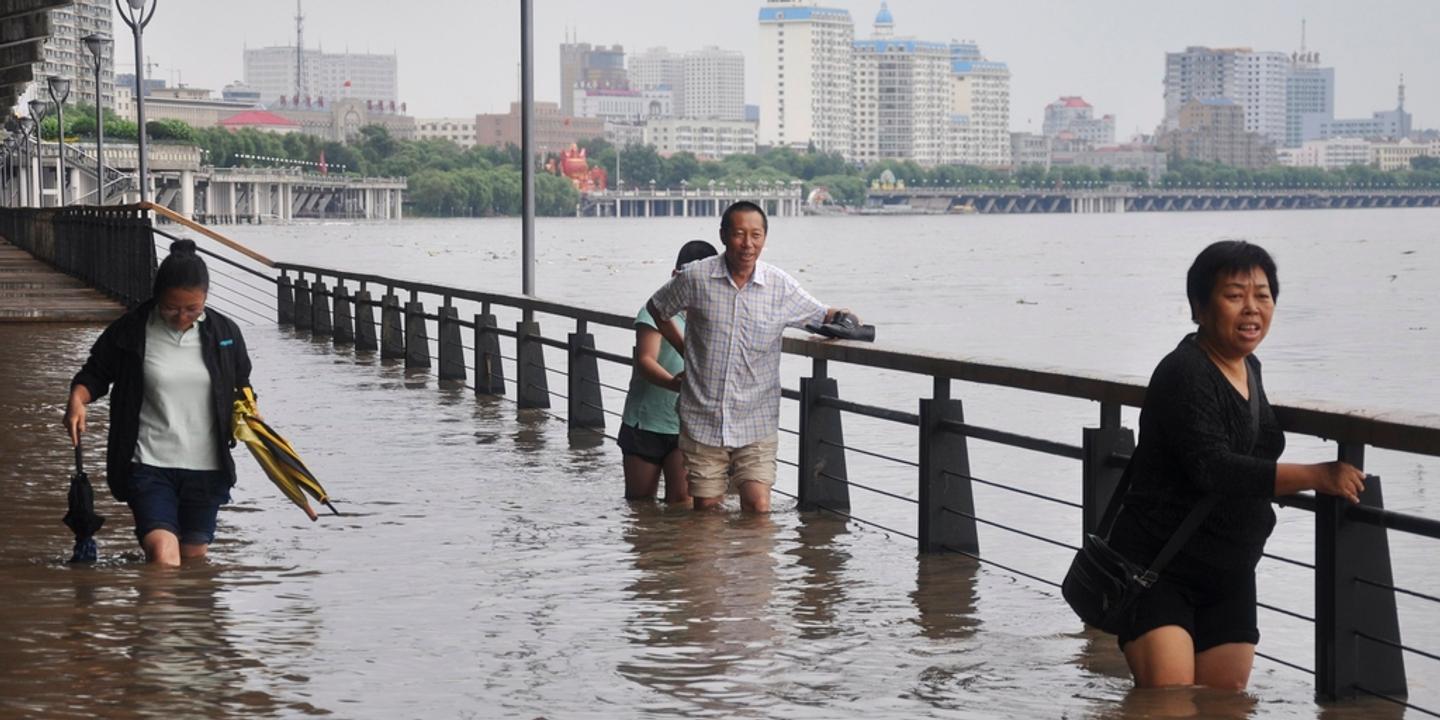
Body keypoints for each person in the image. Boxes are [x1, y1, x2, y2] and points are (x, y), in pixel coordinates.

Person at [1106, 240, 1365, 689]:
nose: (1252, 308)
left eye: (1262, 296)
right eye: (1234, 295)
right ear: (1199, 308)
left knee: (1223, 706)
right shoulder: (1184, 371)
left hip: (1230, 573)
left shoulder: (1250, 367)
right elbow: (1215, 467)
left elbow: (1249, 453)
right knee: (1168, 703)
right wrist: (1317, 476)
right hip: (1158, 568)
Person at [647, 201, 855, 513]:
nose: (748, 244)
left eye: (756, 235)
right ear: (723, 235)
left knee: (758, 508)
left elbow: (819, 312)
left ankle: (753, 563)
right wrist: (686, 351)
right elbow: (657, 308)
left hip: (757, 417)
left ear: (765, 239)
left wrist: (846, 317)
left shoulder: (779, 285)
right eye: (739, 234)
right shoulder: (696, 278)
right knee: (707, 510)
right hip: (703, 415)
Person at [64, 239, 254, 567]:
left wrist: (252, 417)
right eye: (171, 308)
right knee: (165, 556)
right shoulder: (131, 331)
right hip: (148, 464)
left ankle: (174, 619)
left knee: (194, 562)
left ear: (205, 298)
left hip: (207, 469)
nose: (181, 316)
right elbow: (95, 374)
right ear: (157, 296)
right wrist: (77, 400)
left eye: (192, 309)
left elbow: (242, 386)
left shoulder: (225, 334)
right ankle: (154, 618)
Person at [619, 239, 718, 504]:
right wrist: (677, 385)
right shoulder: (655, 311)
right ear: (676, 276)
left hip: (689, 425)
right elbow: (646, 360)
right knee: (640, 504)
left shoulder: (715, 316)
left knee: (682, 506)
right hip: (646, 421)